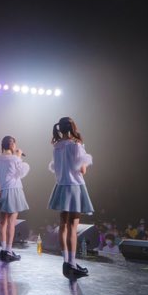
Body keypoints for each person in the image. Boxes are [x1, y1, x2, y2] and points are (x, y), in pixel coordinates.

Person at [48, 117, 94, 277]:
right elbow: (82, 170)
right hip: (74, 186)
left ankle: (66, 262)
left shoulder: (57, 146)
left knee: (63, 226)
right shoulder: (76, 145)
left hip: (61, 186)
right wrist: (84, 157)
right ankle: (72, 264)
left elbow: (56, 168)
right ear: (72, 127)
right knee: (73, 227)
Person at [0, 135, 30, 262]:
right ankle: (9, 251)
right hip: (13, 190)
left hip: (2, 191)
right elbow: (20, 173)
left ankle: (3, 250)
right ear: (11, 145)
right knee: (11, 223)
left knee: (3, 222)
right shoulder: (14, 159)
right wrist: (19, 156)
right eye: (14, 144)